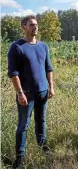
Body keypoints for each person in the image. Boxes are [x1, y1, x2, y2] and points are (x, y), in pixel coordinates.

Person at [7, 15, 55, 169]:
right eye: (32, 25)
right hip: (26, 94)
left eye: (36, 24)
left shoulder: (43, 46)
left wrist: (51, 87)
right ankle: (19, 159)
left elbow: (49, 68)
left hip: (43, 92)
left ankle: (43, 146)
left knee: (41, 121)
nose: (35, 27)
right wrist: (20, 93)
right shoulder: (17, 47)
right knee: (23, 125)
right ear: (24, 27)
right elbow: (13, 73)